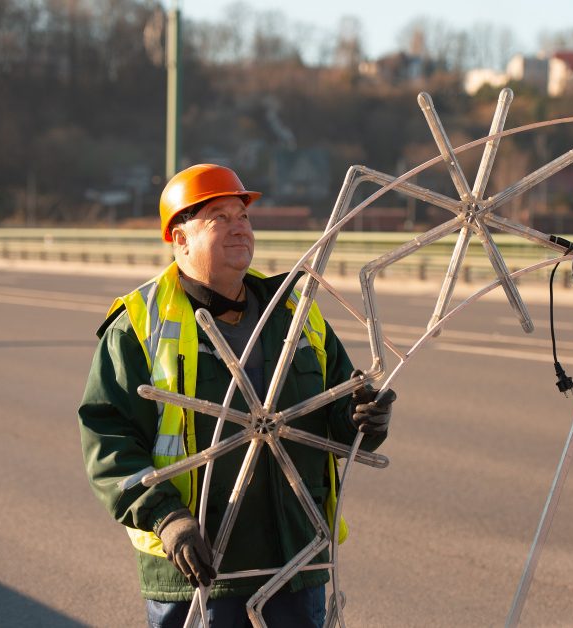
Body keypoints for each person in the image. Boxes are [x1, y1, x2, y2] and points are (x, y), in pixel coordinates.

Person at [78, 163, 395, 628]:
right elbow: (108, 439)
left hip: (295, 559)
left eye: (242, 217)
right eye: (218, 218)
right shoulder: (138, 326)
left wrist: (364, 420)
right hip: (200, 567)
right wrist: (167, 519)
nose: (238, 228)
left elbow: (337, 416)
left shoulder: (293, 311)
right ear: (180, 239)